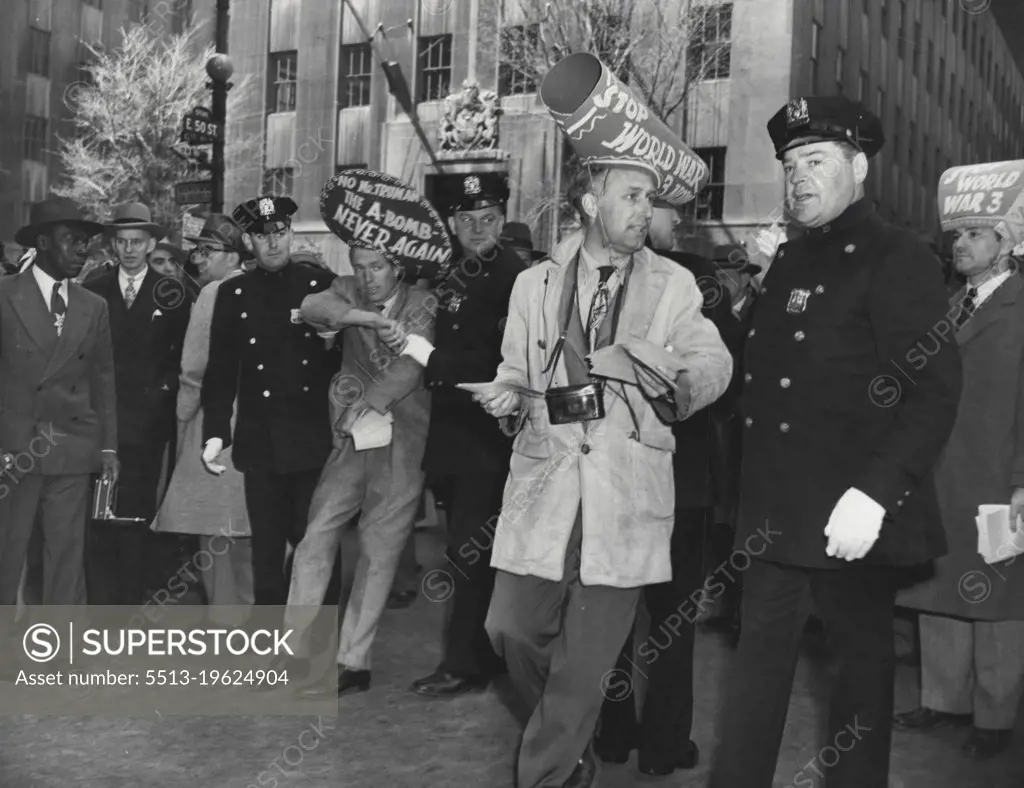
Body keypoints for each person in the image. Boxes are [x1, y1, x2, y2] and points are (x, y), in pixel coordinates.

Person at [709, 95, 963, 788]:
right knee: (754, 681)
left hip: (849, 514)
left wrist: (878, 494)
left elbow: (933, 392)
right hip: (772, 519)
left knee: (857, 688)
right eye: (790, 164)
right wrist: (745, 281)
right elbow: (753, 383)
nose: (798, 178)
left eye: (815, 161)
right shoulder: (787, 260)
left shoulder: (898, 256)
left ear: (859, 167)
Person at [470, 147, 732, 788]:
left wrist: (674, 382)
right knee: (510, 629)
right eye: (633, 196)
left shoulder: (673, 284)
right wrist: (507, 396)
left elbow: (712, 361)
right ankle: (570, 741)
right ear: (591, 203)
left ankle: (548, 775)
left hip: (627, 497)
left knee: (585, 668)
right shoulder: (535, 284)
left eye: (652, 199)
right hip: (544, 487)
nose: (648, 210)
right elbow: (515, 368)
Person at [593, 202, 736, 775]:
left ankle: (614, 732)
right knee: (671, 621)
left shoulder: (594, 275)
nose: (668, 222)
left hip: (622, 473)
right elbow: (733, 366)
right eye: (654, 209)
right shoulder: (697, 278)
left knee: (618, 613)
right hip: (679, 474)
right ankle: (664, 744)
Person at [894, 159, 1024, 760]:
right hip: (942, 474)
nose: (960, 245)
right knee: (940, 582)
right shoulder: (947, 305)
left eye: (975, 234)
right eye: (956, 235)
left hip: (1003, 476)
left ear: (1008, 242)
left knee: (999, 595)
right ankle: (942, 698)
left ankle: (996, 716)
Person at [284, 246, 434, 696]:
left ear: (398, 267)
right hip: (351, 441)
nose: (368, 278)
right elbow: (313, 307)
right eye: (361, 267)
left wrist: (368, 404)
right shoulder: (347, 290)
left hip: (404, 442)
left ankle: (353, 660)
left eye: (379, 267)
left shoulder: (425, 303)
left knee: (379, 548)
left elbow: (412, 366)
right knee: (316, 535)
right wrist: (365, 319)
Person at [406, 172, 525, 698]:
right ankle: (487, 656)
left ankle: (465, 663)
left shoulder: (513, 278)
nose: (477, 228)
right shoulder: (451, 271)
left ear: (501, 220)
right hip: (454, 437)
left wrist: (433, 359)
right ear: (453, 224)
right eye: (467, 220)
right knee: (470, 553)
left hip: (489, 438)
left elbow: (507, 363)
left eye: (488, 219)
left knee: (468, 555)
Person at [200, 196, 343, 608]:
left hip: (313, 441)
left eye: (280, 232)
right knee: (265, 554)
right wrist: (214, 433)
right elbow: (221, 371)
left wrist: (333, 342)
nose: (274, 243)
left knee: (315, 549)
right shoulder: (234, 293)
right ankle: (271, 651)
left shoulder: (321, 285)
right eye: (262, 236)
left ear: (291, 233)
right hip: (259, 443)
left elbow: (348, 362)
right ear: (249, 241)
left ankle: (319, 654)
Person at [0, 198, 118, 612]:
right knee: (7, 555)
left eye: (86, 241)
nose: (82, 249)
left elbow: (103, 383)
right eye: (73, 240)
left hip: (72, 447)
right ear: (43, 242)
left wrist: (108, 449)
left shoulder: (93, 306)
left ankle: (61, 656)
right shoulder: (4, 296)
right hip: (13, 450)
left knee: (66, 557)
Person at [84, 201, 191, 604]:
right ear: (113, 245)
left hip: (148, 422)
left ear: (151, 245)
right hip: (101, 420)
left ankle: (132, 595)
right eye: (122, 242)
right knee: (98, 509)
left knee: (138, 506)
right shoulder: (93, 288)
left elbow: (184, 354)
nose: (129, 249)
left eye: (137, 242)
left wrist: (162, 391)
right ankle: (100, 596)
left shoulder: (173, 293)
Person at [150, 214, 253, 609]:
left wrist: (181, 420)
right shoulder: (255, 288)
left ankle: (227, 616)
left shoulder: (213, 294)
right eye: (198, 249)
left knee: (212, 529)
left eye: (208, 251)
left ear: (233, 256)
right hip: (254, 423)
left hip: (213, 420)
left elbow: (193, 368)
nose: (198, 258)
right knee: (246, 525)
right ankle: (250, 612)